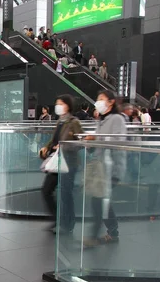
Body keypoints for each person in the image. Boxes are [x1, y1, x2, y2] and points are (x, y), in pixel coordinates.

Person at [84, 90, 127, 247]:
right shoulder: (101, 120)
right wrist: (90, 142)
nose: (98, 102)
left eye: (101, 99)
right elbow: (97, 147)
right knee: (102, 200)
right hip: (101, 166)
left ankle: (94, 236)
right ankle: (112, 232)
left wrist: (96, 138)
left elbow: (117, 141)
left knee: (98, 200)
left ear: (111, 102)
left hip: (112, 167)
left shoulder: (117, 119)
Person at [40, 94, 84, 233]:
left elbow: (80, 143)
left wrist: (63, 146)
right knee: (46, 190)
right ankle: (58, 219)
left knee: (66, 194)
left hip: (69, 163)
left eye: (60, 103)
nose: (58, 106)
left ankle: (68, 225)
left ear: (67, 105)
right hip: (57, 162)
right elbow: (55, 140)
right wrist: (47, 147)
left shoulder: (73, 122)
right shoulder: (60, 121)